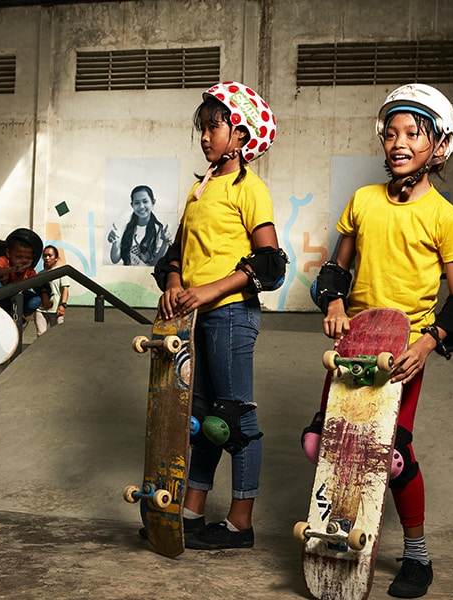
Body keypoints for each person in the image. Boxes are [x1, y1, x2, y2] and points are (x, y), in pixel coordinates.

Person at [302, 84, 453, 598]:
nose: (398, 142)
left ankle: (417, 555)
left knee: (392, 454)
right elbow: (336, 269)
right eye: (391, 133)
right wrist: (334, 304)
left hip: (401, 351)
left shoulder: (446, 217)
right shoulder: (362, 201)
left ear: (439, 147)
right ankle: (337, 534)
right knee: (321, 443)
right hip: (352, 346)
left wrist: (428, 343)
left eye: (413, 134)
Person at [154, 81, 286, 550]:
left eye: (215, 126)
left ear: (241, 134)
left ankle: (240, 523)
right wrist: (174, 284)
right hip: (196, 318)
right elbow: (176, 253)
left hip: (231, 315)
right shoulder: (199, 190)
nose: (206, 137)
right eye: (203, 128)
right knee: (205, 417)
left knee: (236, 419)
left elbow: (270, 264)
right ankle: (191, 512)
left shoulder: (249, 189)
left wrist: (208, 288)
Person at [0, 228, 51, 318]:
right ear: (8, 253)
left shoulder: (29, 272)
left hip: (9, 301)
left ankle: (21, 316)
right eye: (19, 257)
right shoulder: (4, 261)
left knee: (35, 300)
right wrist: (11, 270)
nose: (23, 261)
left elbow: (40, 285)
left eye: (28, 258)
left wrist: (45, 298)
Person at [107, 185, 172, 265]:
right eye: (137, 203)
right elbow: (115, 259)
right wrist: (115, 242)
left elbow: (155, 265)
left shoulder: (159, 230)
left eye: (145, 201)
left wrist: (165, 243)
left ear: (153, 202)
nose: (141, 207)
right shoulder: (125, 228)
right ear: (132, 205)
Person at [35, 245, 69, 337]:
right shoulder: (40, 274)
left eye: (50, 255)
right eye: (45, 256)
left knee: (57, 336)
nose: (47, 258)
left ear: (56, 258)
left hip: (56, 310)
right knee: (41, 335)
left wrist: (63, 305)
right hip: (41, 309)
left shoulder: (61, 272)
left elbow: (65, 289)